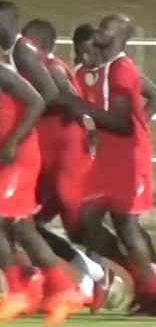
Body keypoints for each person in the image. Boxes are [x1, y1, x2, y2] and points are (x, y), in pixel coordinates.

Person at [66, 14, 156, 314]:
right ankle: (143, 281)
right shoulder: (105, 69)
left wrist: (82, 107)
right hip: (110, 159)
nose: (100, 30)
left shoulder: (122, 70)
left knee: (127, 227)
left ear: (121, 36)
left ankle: (154, 297)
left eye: (107, 27)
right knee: (83, 223)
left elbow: (124, 123)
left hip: (128, 158)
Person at [0, 0, 84, 324]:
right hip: (16, 149)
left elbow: (40, 97)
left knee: (17, 224)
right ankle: (43, 288)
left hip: (21, 152)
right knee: (17, 226)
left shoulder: (18, 55)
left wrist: (14, 137)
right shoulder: (11, 55)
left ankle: (34, 289)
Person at [21, 19, 110, 312]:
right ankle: (66, 281)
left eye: (30, 43)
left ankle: (95, 282)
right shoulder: (25, 68)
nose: (24, 48)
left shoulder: (55, 69)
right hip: (43, 159)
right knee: (27, 224)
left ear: (44, 47)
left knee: (78, 224)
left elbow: (72, 99)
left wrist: (55, 102)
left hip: (68, 157)